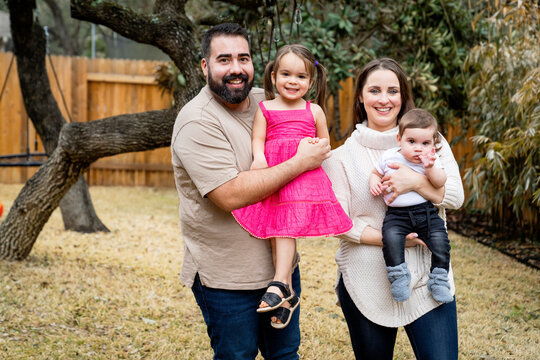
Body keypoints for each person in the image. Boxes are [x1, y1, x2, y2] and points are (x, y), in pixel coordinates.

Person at [170, 23, 331, 360]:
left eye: (243, 58)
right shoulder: (197, 121)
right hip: (227, 278)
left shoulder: (268, 101)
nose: (236, 69)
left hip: (280, 270)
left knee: (285, 354)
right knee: (237, 356)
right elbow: (230, 195)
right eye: (224, 59)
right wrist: (299, 163)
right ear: (205, 66)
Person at [322, 58, 464, 359]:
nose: (384, 99)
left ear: (403, 96)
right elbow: (339, 222)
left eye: (392, 91)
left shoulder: (431, 143)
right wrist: (395, 238)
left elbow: (455, 196)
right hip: (367, 280)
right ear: (360, 96)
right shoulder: (341, 157)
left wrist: (414, 181)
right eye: (374, 90)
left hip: (428, 278)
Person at [232, 44, 352, 329]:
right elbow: (257, 140)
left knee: (284, 228)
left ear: (311, 82)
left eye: (301, 77)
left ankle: (278, 284)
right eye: (286, 74)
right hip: (274, 172)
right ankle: (287, 296)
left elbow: (325, 145)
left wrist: (313, 145)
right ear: (273, 76)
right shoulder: (266, 108)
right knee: (276, 230)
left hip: (302, 177)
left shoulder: (314, 111)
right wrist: (259, 160)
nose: (292, 81)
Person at [369, 108, 453, 304]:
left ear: (433, 144)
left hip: (426, 212)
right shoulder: (389, 156)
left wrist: (430, 167)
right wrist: (374, 182)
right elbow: (375, 172)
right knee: (390, 239)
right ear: (399, 139)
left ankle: (439, 279)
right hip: (397, 215)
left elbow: (440, 182)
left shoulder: (431, 160)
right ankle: (398, 276)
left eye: (425, 143)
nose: (418, 148)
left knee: (441, 242)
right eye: (412, 142)